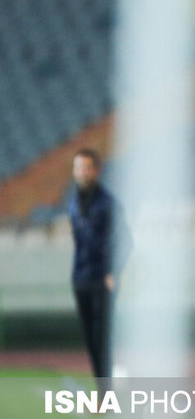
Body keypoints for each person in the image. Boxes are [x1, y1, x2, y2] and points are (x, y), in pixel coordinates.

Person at [69, 148, 131, 382]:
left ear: (96, 170)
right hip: (80, 277)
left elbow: (126, 240)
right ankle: (102, 389)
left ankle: (105, 394)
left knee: (102, 337)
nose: (82, 173)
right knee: (90, 338)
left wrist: (113, 272)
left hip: (101, 278)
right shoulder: (74, 203)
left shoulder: (107, 203)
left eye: (87, 168)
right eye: (78, 168)